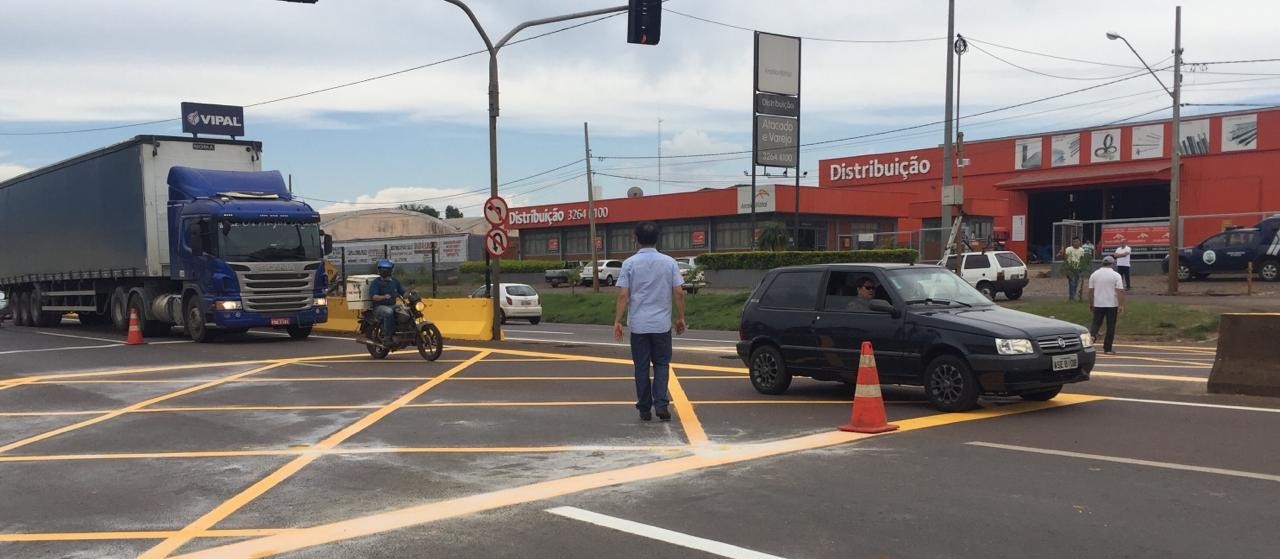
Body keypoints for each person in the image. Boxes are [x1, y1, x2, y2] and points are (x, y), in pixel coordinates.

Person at [613, 222, 687, 422]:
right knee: (662, 364)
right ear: (657, 238)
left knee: (641, 366)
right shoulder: (669, 262)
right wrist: (680, 317)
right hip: (662, 325)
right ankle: (661, 404)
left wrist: (617, 321)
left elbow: (623, 295)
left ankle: (644, 408)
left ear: (636, 239)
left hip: (638, 325)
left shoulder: (629, 263)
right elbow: (679, 292)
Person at [1088, 255, 1125, 355]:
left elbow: (1090, 291)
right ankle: (1107, 348)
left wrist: (1091, 304)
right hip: (1112, 304)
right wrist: (1121, 304)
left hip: (1098, 303)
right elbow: (1120, 291)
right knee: (1110, 326)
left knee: (1096, 323)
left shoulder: (1094, 274)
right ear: (1112, 264)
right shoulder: (1116, 275)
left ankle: (1093, 336)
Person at [367, 259, 405, 346]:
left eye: (387, 269)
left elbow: (402, 292)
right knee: (389, 312)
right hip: (379, 307)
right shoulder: (376, 282)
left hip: (392, 305)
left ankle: (402, 332)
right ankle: (387, 337)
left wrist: (411, 293)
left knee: (405, 310)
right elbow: (374, 297)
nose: (385, 271)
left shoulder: (395, 281)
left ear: (391, 270)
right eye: (383, 269)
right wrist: (384, 297)